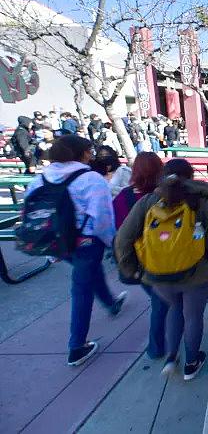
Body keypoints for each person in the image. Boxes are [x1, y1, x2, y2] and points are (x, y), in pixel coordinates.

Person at [115, 158, 208, 380]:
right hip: (197, 273)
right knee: (193, 316)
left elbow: (123, 238)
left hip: (158, 275)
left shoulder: (149, 201)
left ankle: (171, 358)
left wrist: (133, 269)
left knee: (173, 309)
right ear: (190, 177)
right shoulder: (200, 201)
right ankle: (191, 362)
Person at [25, 135, 126, 366]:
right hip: (86, 241)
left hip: (57, 241)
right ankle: (77, 346)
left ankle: (111, 303)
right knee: (81, 288)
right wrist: (113, 244)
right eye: (88, 151)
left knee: (88, 274)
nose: (91, 155)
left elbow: (33, 207)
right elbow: (102, 218)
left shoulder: (42, 178)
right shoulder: (91, 179)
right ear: (81, 154)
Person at [113, 152, 168, 359]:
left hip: (138, 262)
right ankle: (156, 347)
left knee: (160, 299)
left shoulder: (122, 198)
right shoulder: (164, 195)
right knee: (161, 302)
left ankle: (161, 342)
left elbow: (117, 233)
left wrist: (128, 266)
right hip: (162, 258)